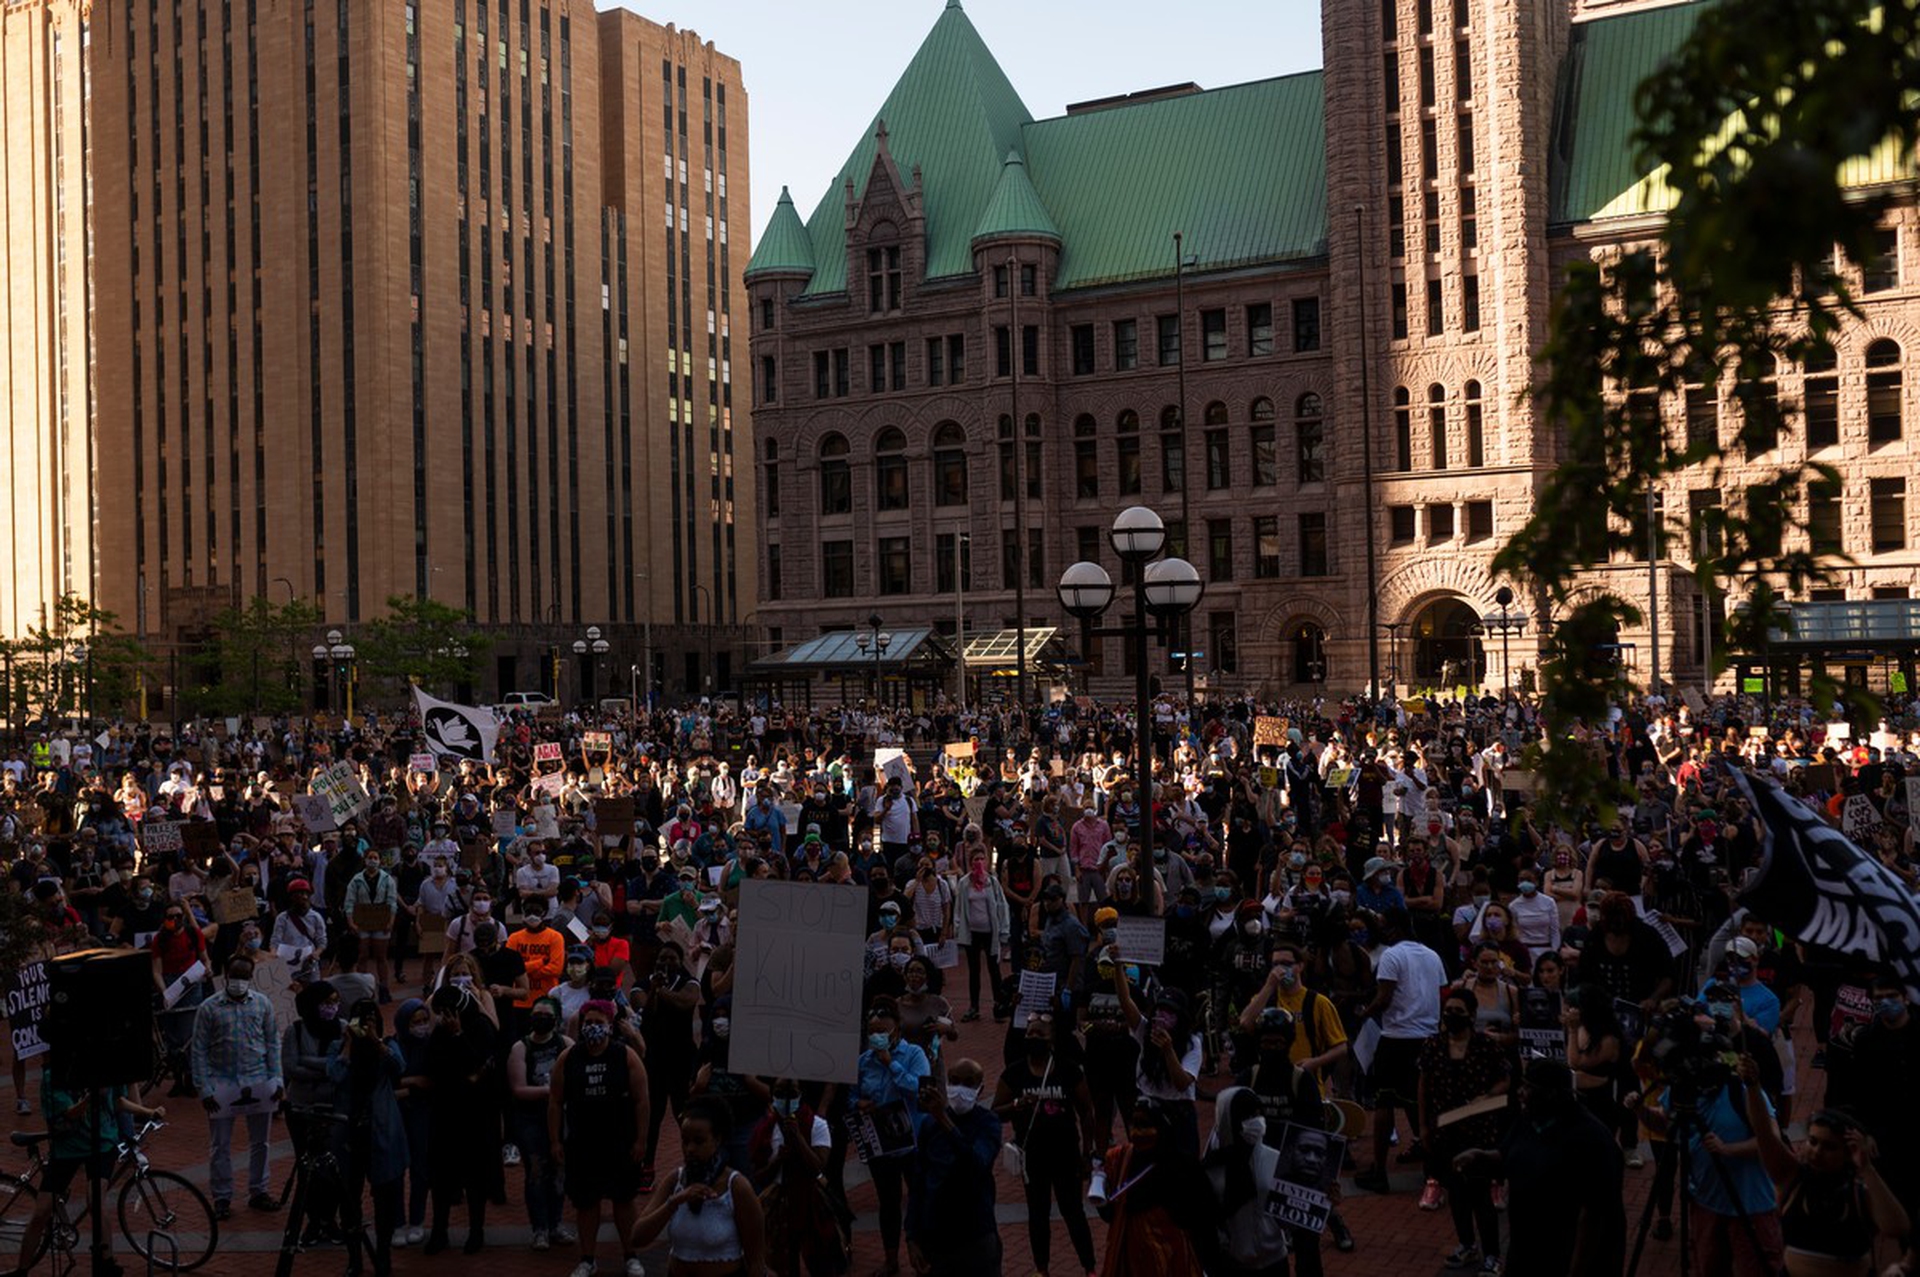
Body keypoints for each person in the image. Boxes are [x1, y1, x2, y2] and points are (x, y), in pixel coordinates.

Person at [1452, 1059, 1626, 1277]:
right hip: (1527, 1249)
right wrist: (1482, 1156)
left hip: (1567, 1257)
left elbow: (1594, 1216)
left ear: (1552, 1094)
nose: (1520, 1092)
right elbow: (1508, 1154)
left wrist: (1577, 1272)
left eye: (1528, 1088)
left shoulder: (1591, 1139)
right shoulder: (1531, 1117)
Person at [16, 1076, 165, 1271]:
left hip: (102, 1143)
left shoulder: (103, 1066)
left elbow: (117, 1100)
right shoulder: (55, 1074)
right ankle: (22, 1269)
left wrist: (148, 1112)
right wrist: (90, 1098)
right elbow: (68, 1114)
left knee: (96, 1202)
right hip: (67, 1147)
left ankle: (107, 1262)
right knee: (42, 1211)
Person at [992, 1008, 1099, 1277]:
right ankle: (1042, 1269)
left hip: (1065, 1154)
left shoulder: (1068, 1069)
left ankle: (1090, 1267)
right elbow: (996, 1111)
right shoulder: (1014, 1073)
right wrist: (1016, 1104)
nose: (1033, 1037)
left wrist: (1087, 1152)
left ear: (1051, 1039)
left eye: (1040, 1033)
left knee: (1073, 1212)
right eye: (1029, 1033)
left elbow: (1086, 1111)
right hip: (1033, 1157)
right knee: (1037, 1214)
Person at [552, 998, 650, 1277]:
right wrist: (555, 1141)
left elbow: (642, 1101)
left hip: (620, 1141)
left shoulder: (624, 1055)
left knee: (623, 1199)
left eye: (599, 1022)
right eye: (589, 1022)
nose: (593, 1027)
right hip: (582, 1143)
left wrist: (641, 1140)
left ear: (610, 1026)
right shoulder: (568, 1058)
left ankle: (631, 1255)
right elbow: (555, 1102)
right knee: (586, 1202)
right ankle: (587, 1258)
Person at [1354, 905, 1447, 1195]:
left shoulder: (1392, 955)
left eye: (1382, 923)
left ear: (1394, 927)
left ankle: (1379, 1170)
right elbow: (1440, 993)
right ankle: (1433, 1167)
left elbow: (1384, 997)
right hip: (1427, 1036)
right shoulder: (1432, 955)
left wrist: (1364, 1012)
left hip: (1396, 1037)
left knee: (1384, 1104)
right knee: (1420, 1102)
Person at [1416, 987, 1509, 1272]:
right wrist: (1423, 1127)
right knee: (1456, 1192)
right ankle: (1467, 1245)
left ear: (1471, 1015)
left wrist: (1487, 1096)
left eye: (1458, 1011)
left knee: (1480, 1194)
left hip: (1478, 1130)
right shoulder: (1433, 1045)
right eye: (1448, 1011)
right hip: (1444, 1130)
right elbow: (1423, 1086)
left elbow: (1505, 1081)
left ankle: (1492, 1253)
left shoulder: (1486, 1046)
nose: (1452, 1016)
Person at [190, 955, 282, 1219]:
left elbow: (273, 1043)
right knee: (220, 1145)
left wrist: (277, 1079)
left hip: (259, 1081)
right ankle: (221, 1197)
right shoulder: (208, 1008)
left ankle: (259, 1191)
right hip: (221, 1084)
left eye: (244, 976)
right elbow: (198, 1051)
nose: (238, 981)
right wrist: (204, 1089)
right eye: (234, 975)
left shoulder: (263, 1004)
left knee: (261, 1143)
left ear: (250, 978)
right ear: (225, 975)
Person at [631, 1099, 768, 1277]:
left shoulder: (736, 1187)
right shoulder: (675, 1180)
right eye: (685, 1141)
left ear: (717, 1140)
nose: (690, 1149)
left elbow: (756, 1259)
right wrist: (673, 1203)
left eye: (699, 1141)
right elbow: (637, 1237)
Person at [1096, 1098, 1219, 1277]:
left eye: (1144, 1125)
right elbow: (1111, 1215)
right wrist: (1101, 1198)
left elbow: (1204, 1227)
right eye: (1134, 1125)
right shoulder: (1122, 1161)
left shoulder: (1185, 1170)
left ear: (1163, 1128)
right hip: (1131, 1267)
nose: (1136, 1133)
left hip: (1176, 1265)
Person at [904, 1057, 1004, 1276]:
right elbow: (918, 1183)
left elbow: (976, 1163)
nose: (960, 1089)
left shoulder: (988, 1123)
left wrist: (943, 1119)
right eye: (955, 1081)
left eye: (968, 1083)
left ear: (980, 1089)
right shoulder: (930, 1126)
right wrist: (911, 1236)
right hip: (936, 1235)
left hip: (975, 1234)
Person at [421, 983, 502, 1255]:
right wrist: (462, 1073)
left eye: (448, 1012)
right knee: (441, 1178)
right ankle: (439, 1232)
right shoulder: (439, 1033)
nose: (445, 1018)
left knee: (475, 1178)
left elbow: (481, 1067)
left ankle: (476, 1231)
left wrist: (458, 1038)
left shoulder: (481, 1027)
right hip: (445, 1113)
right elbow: (435, 1067)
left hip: (475, 1116)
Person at [328, 998, 406, 1277]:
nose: (366, 1024)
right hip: (349, 1134)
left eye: (371, 1019)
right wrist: (348, 1047)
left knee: (384, 1198)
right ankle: (354, 1258)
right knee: (349, 1200)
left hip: (381, 1131)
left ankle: (382, 1256)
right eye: (361, 1019)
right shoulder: (338, 1048)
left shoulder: (388, 1045)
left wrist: (376, 1041)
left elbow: (399, 1068)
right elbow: (334, 1076)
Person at [854, 1001, 930, 1277]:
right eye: (872, 1031)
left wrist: (892, 1064)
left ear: (896, 1028)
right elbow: (852, 1095)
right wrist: (858, 1103)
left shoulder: (913, 1054)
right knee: (888, 1203)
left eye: (882, 1030)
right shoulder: (864, 1061)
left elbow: (919, 1089)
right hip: (881, 1145)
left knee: (919, 1197)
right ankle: (890, 1259)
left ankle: (923, 1254)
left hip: (912, 1142)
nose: (876, 1036)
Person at [748, 1078, 849, 1277]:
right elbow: (758, 1176)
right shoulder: (765, 1129)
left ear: (800, 1094)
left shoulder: (817, 1125)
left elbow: (818, 1166)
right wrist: (778, 1160)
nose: (785, 1098)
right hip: (777, 1202)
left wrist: (799, 1139)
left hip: (810, 1200)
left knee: (821, 1260)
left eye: (791, 1093)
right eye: (779, 1092)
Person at [281, 978, 346, 1245]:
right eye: (326, 1003)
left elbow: (343, 1067)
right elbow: (291, 1068)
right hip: (301, 1108)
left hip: (332, 1107)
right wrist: (326, 1067)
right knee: (307, 1167)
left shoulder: (343, 1029)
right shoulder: (295, 1031)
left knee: (331, 1169)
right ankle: (313, 1219)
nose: (331, 1008)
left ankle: (329, 1219)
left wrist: (312, 1064)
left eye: (335, 1002)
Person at [1202, 1086, 1290, 1277]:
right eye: (1248, 1115)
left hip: (1275, 1261)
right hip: (1233, 1266)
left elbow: (1290, 1215)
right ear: (1228, 1120)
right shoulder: (1212, 1169)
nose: (1257, 1121)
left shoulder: (1275, 1159)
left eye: (1259, 1113)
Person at [635, 939, 702, 1191]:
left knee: (683, 1113)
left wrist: (661, 992)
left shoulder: (688, 981)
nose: (666, 963)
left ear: (680, 960)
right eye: (662, 958)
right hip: (653, 1061)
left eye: (672, 958)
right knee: (652, 1116)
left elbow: (686, 1003)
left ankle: (693, 1165)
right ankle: (647, 1166)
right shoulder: (643, 983)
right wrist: (654, 990)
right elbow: (644, 1009)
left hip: (682, 1059)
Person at [507, 995, 573, 1251]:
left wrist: (556, 1093)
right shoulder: (520, 1048)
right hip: (530, 1119)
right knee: (536, 1171)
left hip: (560, 1118)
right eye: (537, 1014)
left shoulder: (565, 1044)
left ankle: (556, 1224)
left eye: (546, 1015)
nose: (540, 1019)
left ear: (555, 1020)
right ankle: (539, 1229)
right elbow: (518, 1088)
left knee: (558, 1171)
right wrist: (551, 1091)